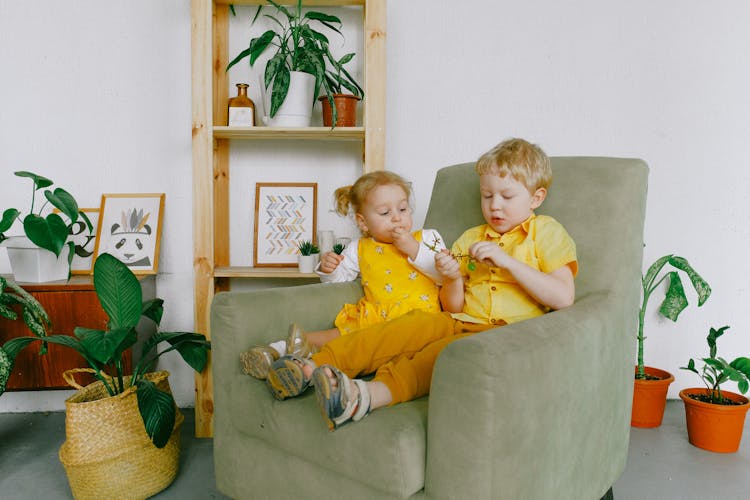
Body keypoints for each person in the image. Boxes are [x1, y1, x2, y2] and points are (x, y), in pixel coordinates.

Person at [264, 137, 578, 431]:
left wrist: (508, 261)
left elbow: (563, 297)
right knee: (397, 331)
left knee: (437, 356)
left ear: (536, 197)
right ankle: (308, 368)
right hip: (458, 319)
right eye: (487, 195)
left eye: (507, 196)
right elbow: (452, 305)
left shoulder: (545, 232)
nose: (494, 205)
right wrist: (453, 277)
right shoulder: (471, 237)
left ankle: (363, 397)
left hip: (505, 333)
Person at [240, 170, 447, 379]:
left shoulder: (428, 238)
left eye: (403, 209)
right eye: (385, 213)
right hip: (372, 318)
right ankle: (276, 351)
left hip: (416, 321)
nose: (396, 217)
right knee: (331, 336)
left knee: (352, 346)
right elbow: (338, 280)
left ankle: (305, 368)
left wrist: (413, 248)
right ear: (363, 222)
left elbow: (445, 276)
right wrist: (328, 269)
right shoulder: (360, 248)